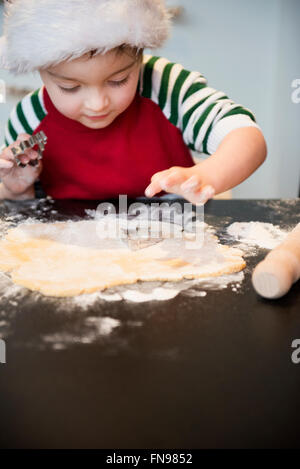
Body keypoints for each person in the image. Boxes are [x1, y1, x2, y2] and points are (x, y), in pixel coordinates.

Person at [0, 0, 267, 204]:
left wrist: (207, 175)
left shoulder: (167, 89)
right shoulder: (29, 118)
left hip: (173, 247)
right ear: (40, 71)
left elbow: (246, 137)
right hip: (73, 256)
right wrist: (16, 188)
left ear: (140, 55)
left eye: (118, 81)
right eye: (70, 87)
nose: (97, 103)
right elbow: (20, 207)